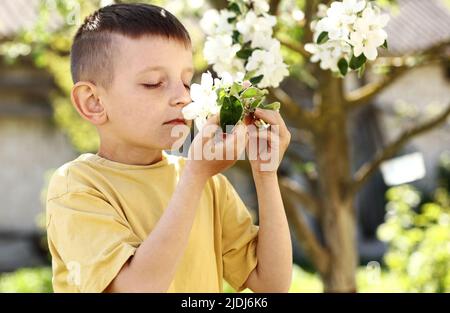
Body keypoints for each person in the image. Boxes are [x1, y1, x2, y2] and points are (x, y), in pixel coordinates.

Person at [46, 3, 292, 293]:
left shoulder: (210, 185)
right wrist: (195, 178)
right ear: (93, 102)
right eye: (154, 83)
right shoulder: (77, 188)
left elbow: (272, 285)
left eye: (186, 82)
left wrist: (265, 175)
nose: (182, 97)